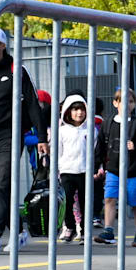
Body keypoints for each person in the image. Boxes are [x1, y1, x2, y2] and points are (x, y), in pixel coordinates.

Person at [0, 27, 46, 253]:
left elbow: (32, 104)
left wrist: (41, 137)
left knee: (2, 184)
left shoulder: (16, 69)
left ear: (2, 45)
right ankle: (19, 231)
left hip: (9, 136)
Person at [93, 88, 136, 248]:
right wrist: (98, 166)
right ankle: (109, 231)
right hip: (113, 169)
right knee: (109, 198)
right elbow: (100, 147)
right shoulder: (108, 123)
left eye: (131, 102)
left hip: (133, 171)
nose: (127, 105)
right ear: (115, 103)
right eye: (123, 101)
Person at [53, 94, 96, 243]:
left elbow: (95, 149)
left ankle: (85, 231)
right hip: (67, 171)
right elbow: (57, 151)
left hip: (85, 172)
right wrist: (57, 170)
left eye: (82, 109)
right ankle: (69, 227)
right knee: (67, 201)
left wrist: (96, 168)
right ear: (68, 112)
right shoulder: (62, 131)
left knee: (86, 202)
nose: (79, 113)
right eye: (75, 109)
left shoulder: (90, 130)